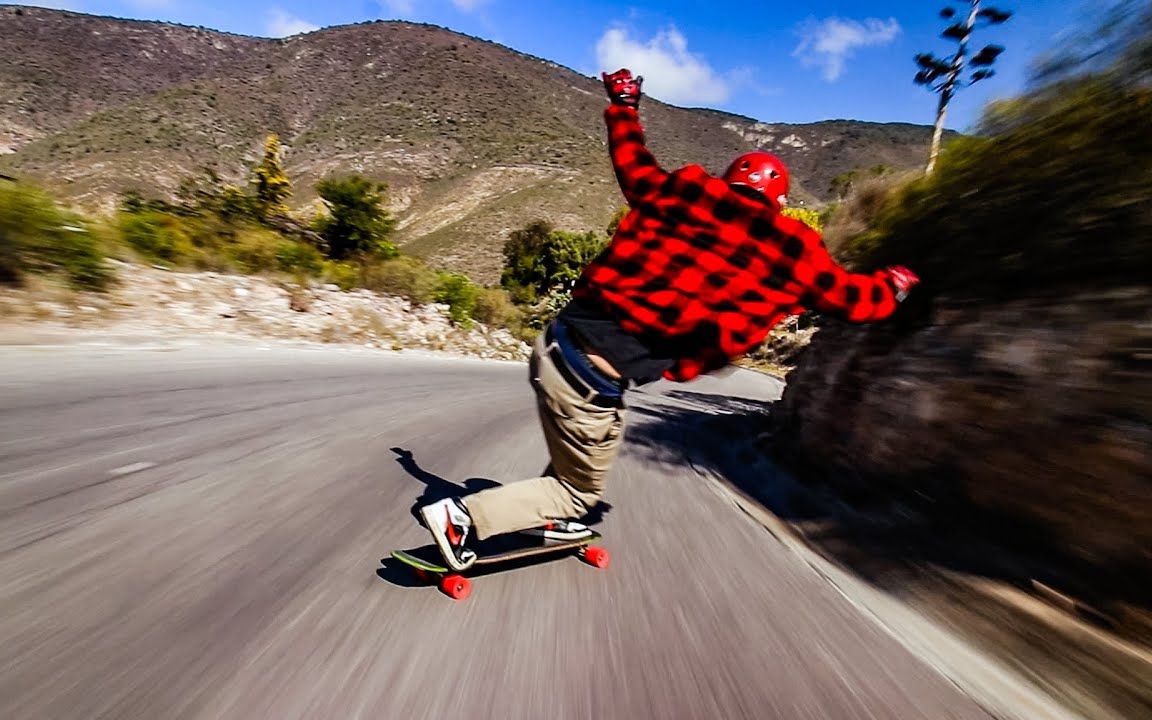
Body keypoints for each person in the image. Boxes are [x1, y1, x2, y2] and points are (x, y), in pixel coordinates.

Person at [419, 68, 920, 571]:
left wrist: (624, 101)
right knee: (579, 491)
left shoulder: (681, 192)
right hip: (589, 381)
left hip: (553, 343)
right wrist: (896, 283)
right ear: (781, 203)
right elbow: (852, 299)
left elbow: (631, 159)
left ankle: (552, 520)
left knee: (582, 444)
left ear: (729, 182)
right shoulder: (790, 248)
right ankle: (464, 518)